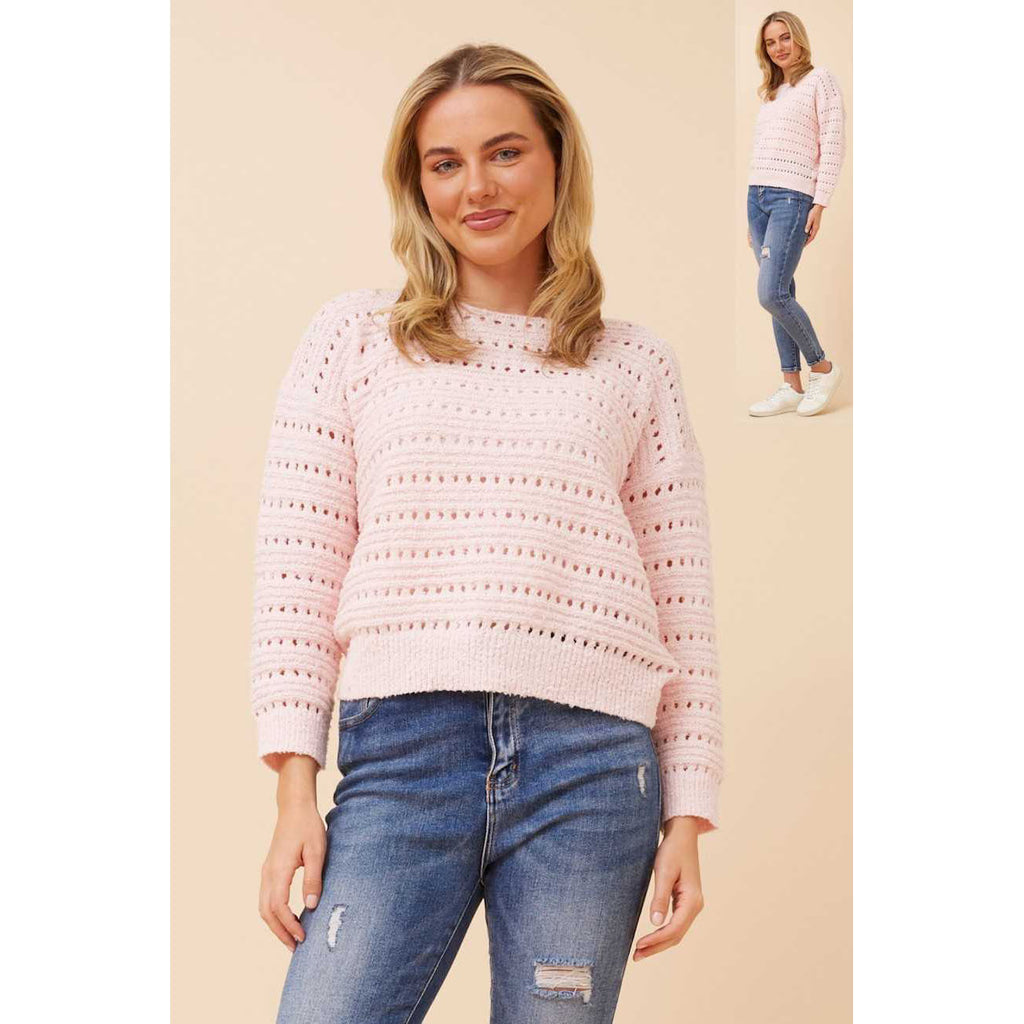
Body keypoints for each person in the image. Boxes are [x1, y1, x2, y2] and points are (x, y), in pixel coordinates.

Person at [250, 43, 723, 1023]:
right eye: (445, 163)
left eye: (505, 152)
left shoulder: (635, 365)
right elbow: (298, 569)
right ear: (417, 184)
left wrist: (688, 811)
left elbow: (680, 599)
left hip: (593, 768)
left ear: (557, 160)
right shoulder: (355, 337)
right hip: (404, 756)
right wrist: (295, 790)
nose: (477, 187)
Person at [746, 10, 846, 417]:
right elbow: (764, 148)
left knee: (772, 293)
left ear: (799, 38)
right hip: (758, 197)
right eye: (771, 42)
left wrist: (819, 203)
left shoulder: (820, 80)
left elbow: (833, 142)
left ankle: (823, 367)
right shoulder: (772, 92)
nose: (779, 48)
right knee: (781, 293)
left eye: (785, 38)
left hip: (792, 197)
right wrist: (750, 214)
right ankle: (791, 384)